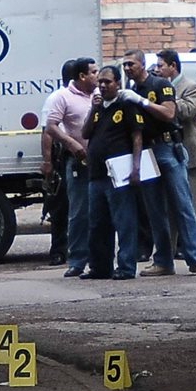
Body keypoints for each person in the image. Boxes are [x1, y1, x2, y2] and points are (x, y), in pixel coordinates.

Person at [122, 49, 196, 275]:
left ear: (143, 64)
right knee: (154, 209)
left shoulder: (160, 85)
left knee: (182, 204)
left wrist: (142, 102)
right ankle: (163, 260)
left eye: (131, 64)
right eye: (124, 65)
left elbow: (169, 113)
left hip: (168, 147)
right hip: (147, 150)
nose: (127, 68)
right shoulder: (133, 91)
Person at [80, 65, 145, 280]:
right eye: (100, 82)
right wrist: (92, 109)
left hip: (119, 175)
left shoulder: (125, 106)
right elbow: (86, 132)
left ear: (118, 83)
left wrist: (136, 168)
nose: (103, 85)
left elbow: (137, 137)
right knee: (97, 224)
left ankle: (126, 267)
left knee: (124, 221)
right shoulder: (99, 108)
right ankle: (100, 267)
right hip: (97, 174)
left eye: (108, 82)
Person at [156, 48, 196, 265]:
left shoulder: (191, 87)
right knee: (169, 211)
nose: (157, 70)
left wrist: (165, 100)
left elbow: (187, 111)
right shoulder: (156, 89)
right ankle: (164, 258)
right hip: (167, 155)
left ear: (173, 66)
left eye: (161, 65)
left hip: (190, 157)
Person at [43, 57, 99, 277]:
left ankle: (100, 258)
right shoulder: (61, 97)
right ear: (82, 76)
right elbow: (51, 127)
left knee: (103, 210)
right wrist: (72, 144)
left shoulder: (99, 96)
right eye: (93, 72)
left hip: (102, 161)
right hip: (78, 161)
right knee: (78, 212)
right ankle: (77, 260)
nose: (98, 75)